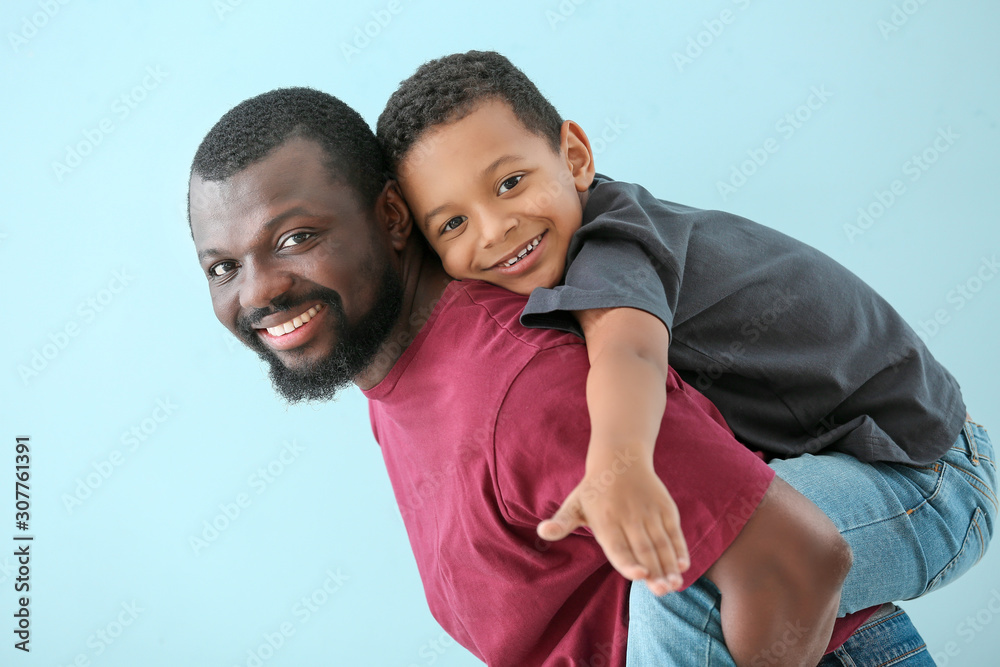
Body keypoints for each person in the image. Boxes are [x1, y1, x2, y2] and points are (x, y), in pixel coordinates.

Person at [185, 88, 976, 665]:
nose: (255, 290)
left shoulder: (536, 370)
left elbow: (798, 560)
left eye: (292, 239)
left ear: (389, 220)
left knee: (677, 592)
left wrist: (623, 461)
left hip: (921, 475)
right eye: (222, 265)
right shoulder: (397, 363)